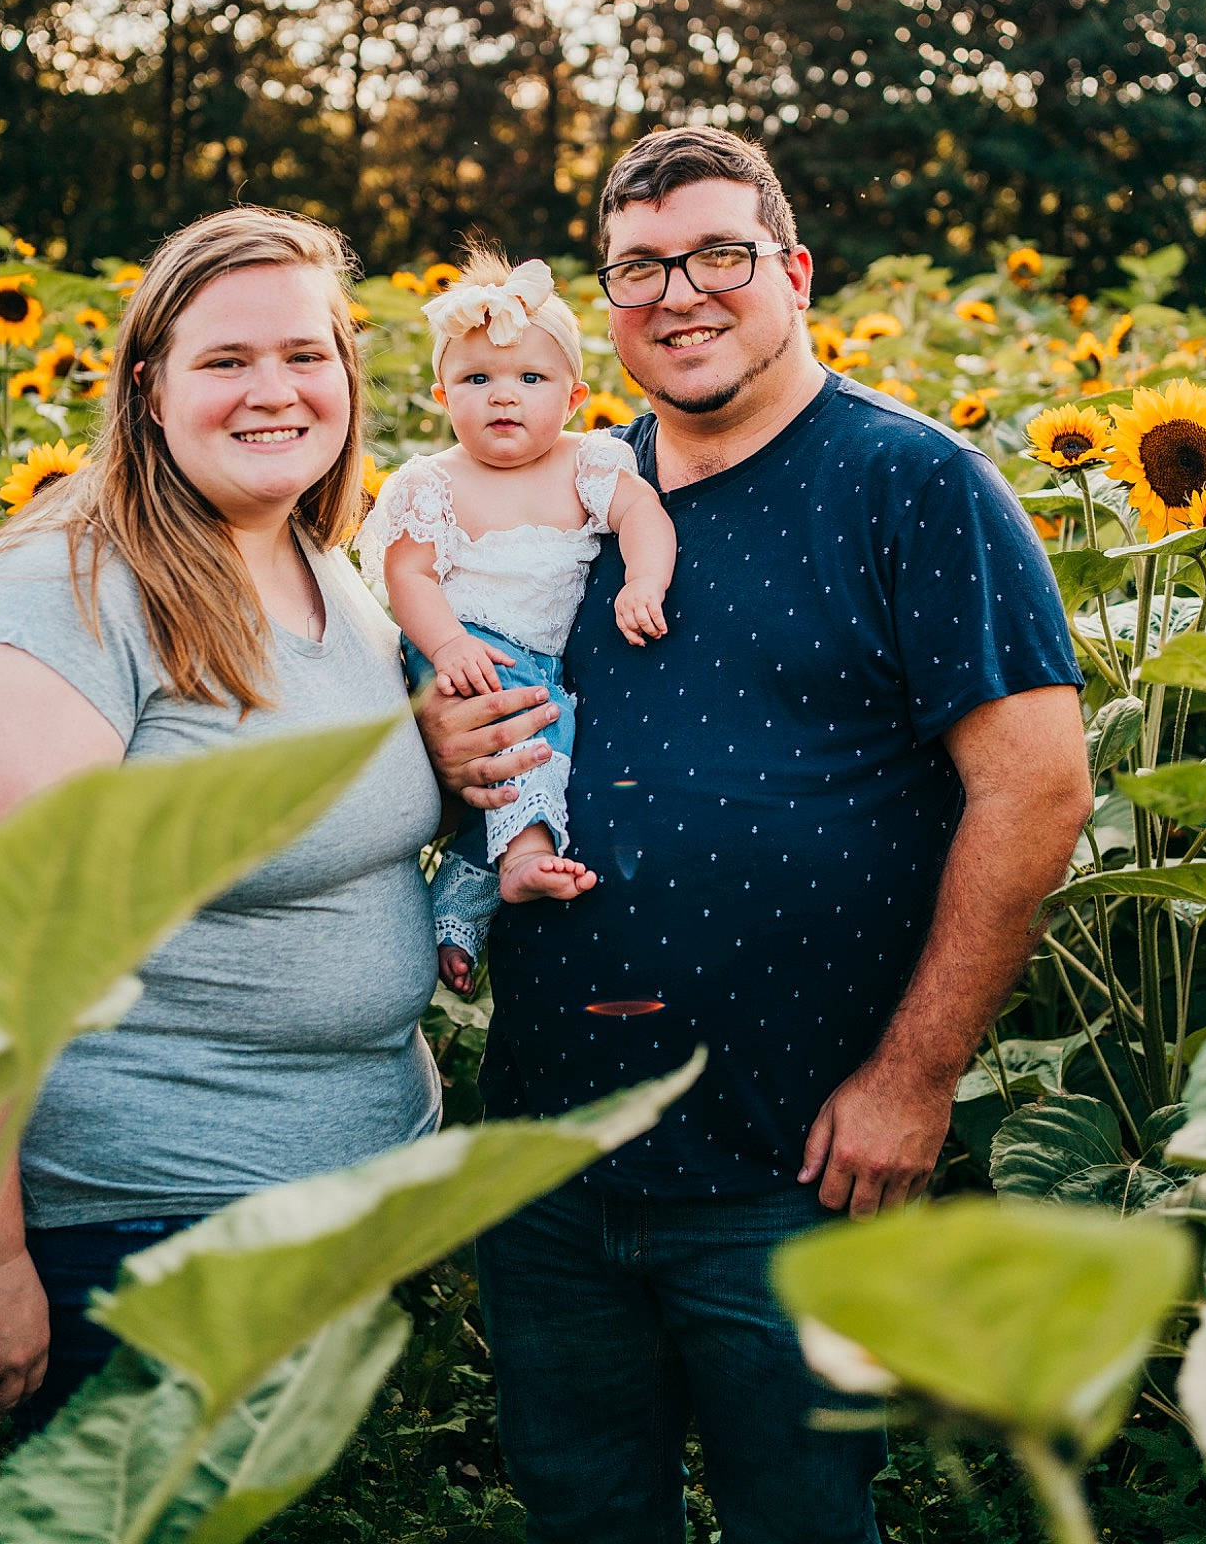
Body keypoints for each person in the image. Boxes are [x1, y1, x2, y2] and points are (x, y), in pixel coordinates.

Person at [419, 127, 1093, 1544]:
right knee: (583, 1512)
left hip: (787, 1157)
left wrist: (913, 1082)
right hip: (551, 1150)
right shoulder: (561, 493)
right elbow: (460, 700)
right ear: (603, 307)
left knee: (797, 1517)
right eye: (638, 268)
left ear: (790, 272)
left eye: (718, 254)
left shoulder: (911, 487)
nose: (679, 293)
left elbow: (1036, 789)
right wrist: (437, 740)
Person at [0, 207, 446, 1428]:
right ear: (148, 387)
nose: (274, 390)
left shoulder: (314, 560)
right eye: (226, 360)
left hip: (328, 1209)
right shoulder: (58, 591)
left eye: (305, 354)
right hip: (142, 1236)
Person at [358, 244, 676, 993]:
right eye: (477, 379)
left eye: (530, 379)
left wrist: (645, 582)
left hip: (535, 656)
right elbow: (409, 576)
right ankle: (527, 861)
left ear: (572, 396)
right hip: (458, 643)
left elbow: (645, 514)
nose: (505, 396)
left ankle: (457, 916)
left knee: (504, 772)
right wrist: (447, 643)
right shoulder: (432, 480)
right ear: (441, 395)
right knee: (533, 731)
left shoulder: (587, 464)